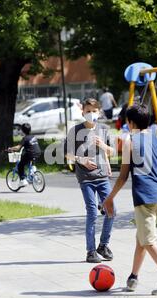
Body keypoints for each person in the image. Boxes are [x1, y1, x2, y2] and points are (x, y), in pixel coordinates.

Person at [103, 103, 157, 296]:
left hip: (143, 197)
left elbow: (123, 177)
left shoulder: (129, 142)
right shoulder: (156, 140)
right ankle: (133, 278)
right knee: (141, 239)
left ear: (130, 123)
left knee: (148, 241)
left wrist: (109, 199)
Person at [65, 98, 115, 263]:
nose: (91, 114)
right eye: (88, 111)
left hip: (102, 177)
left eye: (94, 111)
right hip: (86, 178)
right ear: (83, 112)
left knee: (111, 211)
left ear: (99, 112)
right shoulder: (75, 131)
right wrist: (82, 160)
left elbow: (112, 152)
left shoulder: (104, 129)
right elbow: (68, 155)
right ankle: (90, 251)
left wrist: (104, 147)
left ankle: (103, 245)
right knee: (92, 212)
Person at [8, 123, 42, 187]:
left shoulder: (25, 138)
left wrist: (10, 148)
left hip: (30, 153)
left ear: (23, 131)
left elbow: (18, 147)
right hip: (38, 152)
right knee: (31, 161)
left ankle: (23, 180)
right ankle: (33, 173)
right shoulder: (34, 137)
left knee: (20, 165)